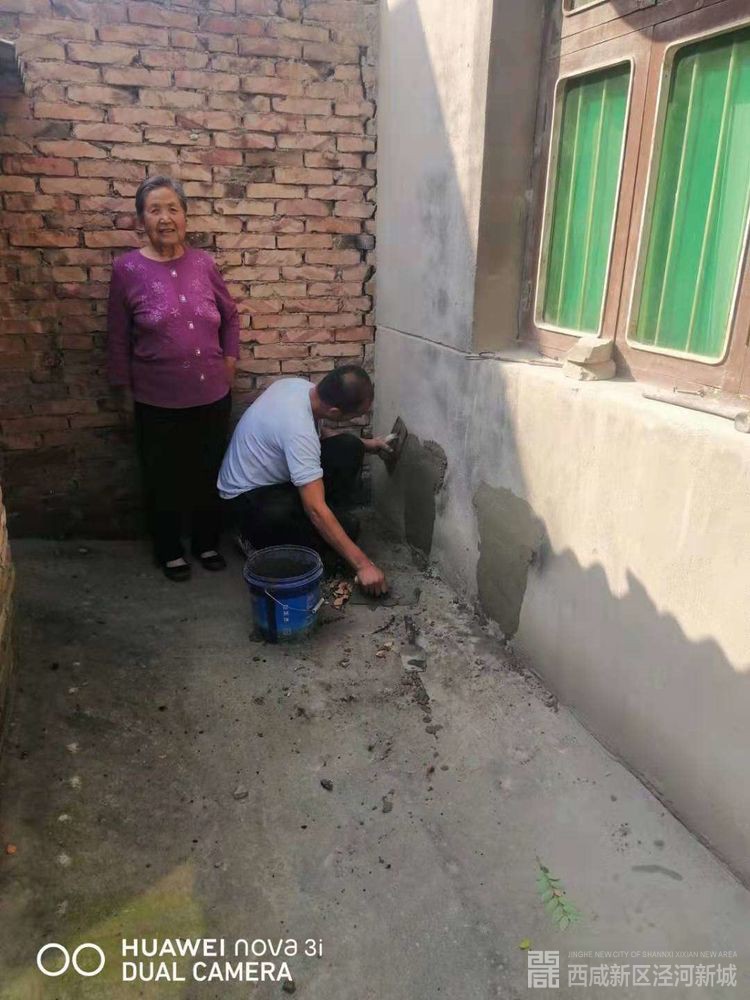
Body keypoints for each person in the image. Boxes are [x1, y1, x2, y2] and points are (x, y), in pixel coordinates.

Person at [107, 176, 239, 582]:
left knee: (207, 471)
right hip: (156, 399)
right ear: (141, 220)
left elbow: (230, 315)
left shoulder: (204, 264)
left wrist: (229, 362)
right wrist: (122, 391)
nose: (165, 218)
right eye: (154, 210)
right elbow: (117, 336)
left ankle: (206, 542)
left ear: (185, 216)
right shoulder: (127, 269)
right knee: (162, 477)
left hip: (211, 393)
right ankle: (169, 549)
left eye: (172, 209)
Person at [218, 367, 391, 596]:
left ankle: (325, 528)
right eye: (354, 415)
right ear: (334, 411)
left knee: (350, 446)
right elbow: (315, 509)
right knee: (341, 536)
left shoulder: (298, 387)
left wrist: (368, 444)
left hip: (273, 483)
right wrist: (363, 565)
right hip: (247, 500)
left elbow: (320, 431)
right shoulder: (298, 430)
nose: (355, 418)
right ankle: (249, 538)